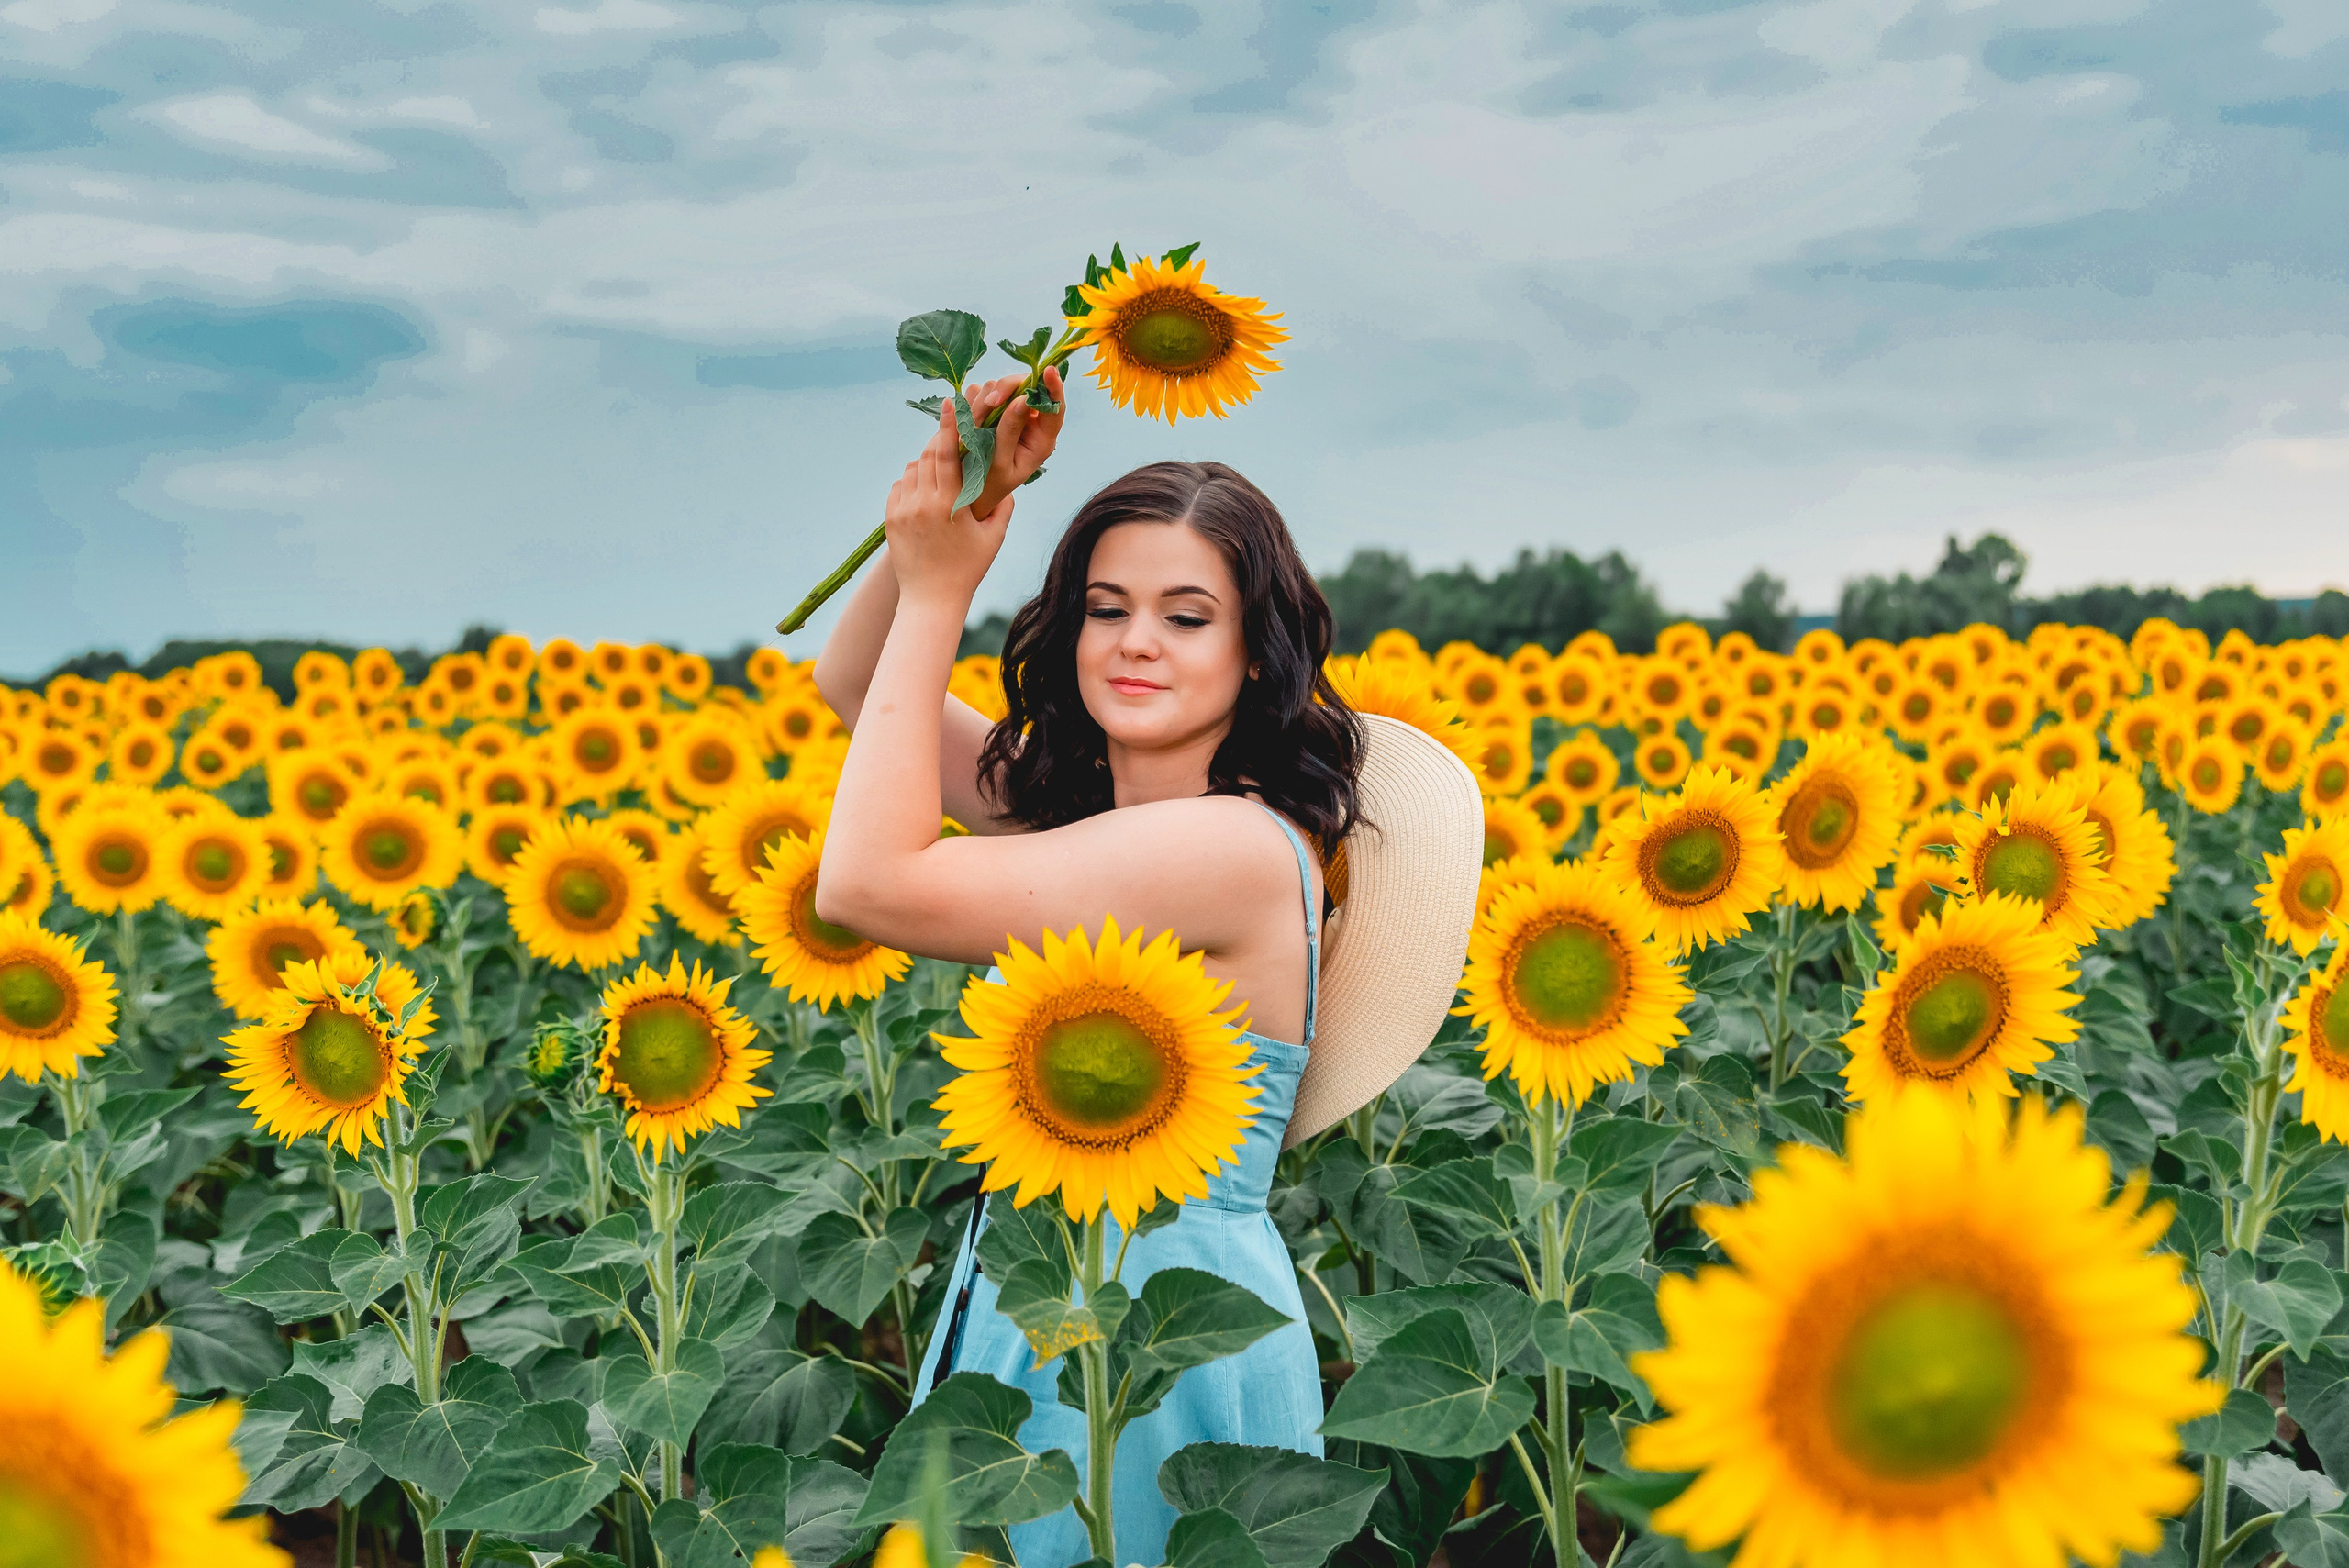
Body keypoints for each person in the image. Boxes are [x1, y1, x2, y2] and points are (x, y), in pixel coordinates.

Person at [812, 368, 1480, 1566]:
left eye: (1184, 615)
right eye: (1106, 607)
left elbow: (864, 884)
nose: (1133, 642)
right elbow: (859, 689)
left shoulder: (1226, 846)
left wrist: (939, 587)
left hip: (1157, 1332)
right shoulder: (1080, 809)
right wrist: (954, 501)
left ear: (1258, 655)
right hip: (1061, 1291)